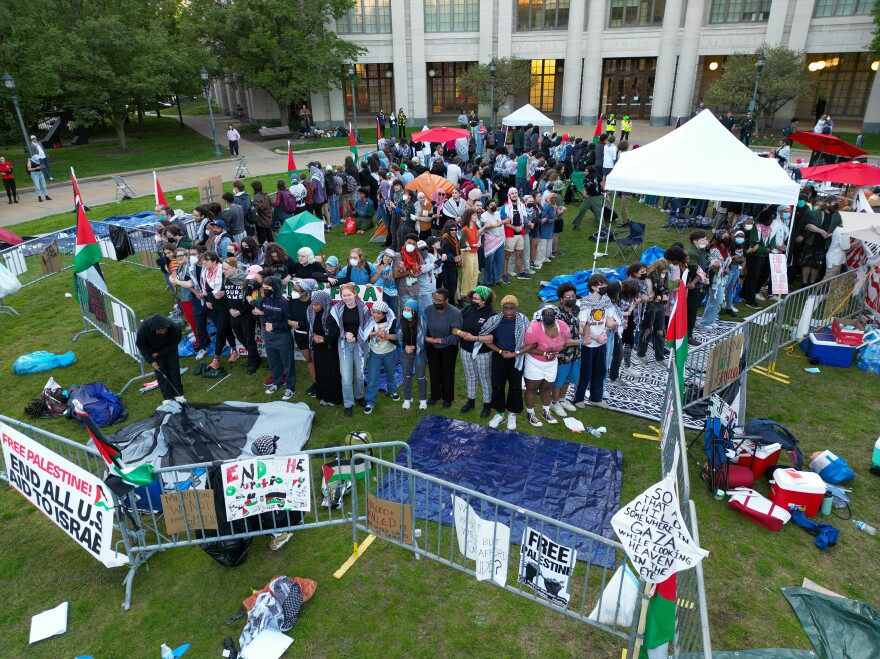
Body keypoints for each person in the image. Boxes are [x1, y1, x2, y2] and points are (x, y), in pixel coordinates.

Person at [479, 295, 531, 430]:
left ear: (516, 308)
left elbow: (531, 343)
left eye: (511, 308)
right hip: (499, 357)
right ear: (502, 308)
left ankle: (512, 414)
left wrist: (515, 353)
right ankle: (499, 412)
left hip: (517, 358)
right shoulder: (495, 320)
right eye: (505, 308)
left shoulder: (524, 321)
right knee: (497, 385)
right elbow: (486, 339)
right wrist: (500, 351)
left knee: (515, 386)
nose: (508, 312)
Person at [521, 303, 574, 427]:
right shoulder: (534, 327)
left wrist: (555, 352)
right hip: (534, 362)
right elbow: (527, 347)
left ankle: (546, 412)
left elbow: (565, 342)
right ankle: (530, 414)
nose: (549, 316)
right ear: (541, 315)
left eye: (552, 313)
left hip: (551, 362)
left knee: (546, 388)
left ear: (556, 314)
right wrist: (544, 354)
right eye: (546, 314)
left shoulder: (562, 326)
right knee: (532, 389)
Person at [573, 274, 613, 408]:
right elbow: (581, 327)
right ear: (593, 287)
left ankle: (596, 397)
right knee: (585, 372)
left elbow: (609, 321)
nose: (604, 287)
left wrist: (604, 333)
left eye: (605, 284)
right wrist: (595, 337)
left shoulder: (606, 301)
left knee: (600, 370)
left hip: (601, 342)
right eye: (601, 285)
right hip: (588, 343)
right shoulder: (586, 302)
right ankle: (578, 398)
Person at [455, 286, 496, 417]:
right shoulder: (467, 309)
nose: (473, 300)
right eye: (472, 297)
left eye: (476, 298)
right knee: (470, 376)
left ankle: (487, 404)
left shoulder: (491, 314)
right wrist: (461, 333)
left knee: (485, 378)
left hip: (483, 352)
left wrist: (475, 338)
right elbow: (455, 326)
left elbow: (493, 337)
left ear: (484, 300)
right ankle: (471, 401)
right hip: (466, 349)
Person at [332, 283, 369, 417]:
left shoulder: (363, 308)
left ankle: (359, 396)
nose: (346, 298)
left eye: (349, 295)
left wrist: (357, 336)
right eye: (344, 295)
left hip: (360, 344)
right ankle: (348, 404)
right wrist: (345, 334)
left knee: (359, 374)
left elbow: (368, 326)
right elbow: (334, 327)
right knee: (346, 377)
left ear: (354, 294)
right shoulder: (337, 309)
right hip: (344, 345)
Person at [424, 288, 463, 408]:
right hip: (432, 346)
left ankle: (448, 398)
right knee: (433, 371)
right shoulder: (428, 310)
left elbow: (457, 335)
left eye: (439, 301)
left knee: (447, 372)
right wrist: (428, 339)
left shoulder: (455, 313)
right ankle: (435, 395)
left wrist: (443, 340)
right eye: (434, 299)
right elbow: (424, 328)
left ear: (446, 300)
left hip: (449, 348)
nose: (436, 302)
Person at [199, 251, 236, 372]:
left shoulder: (222, 270)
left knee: (220, 330)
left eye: (206, 260)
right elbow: (206, 291)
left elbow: (231, 284)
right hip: (212, 308)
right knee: (225, 330)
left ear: (214, 261)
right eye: (203, 260)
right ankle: (234, 350)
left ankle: (216, 359)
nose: (204, 262)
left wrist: (224, 292)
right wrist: (206, 300)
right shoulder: (204, 273)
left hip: (224, 307)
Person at [361, 301, 400, 414]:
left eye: (379, 313)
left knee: (391, 373)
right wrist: (376, 333)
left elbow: (398, 336)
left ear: (385, 314)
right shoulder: (370, 321)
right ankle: (370, 401)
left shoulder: (392, 322)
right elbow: (363, 333)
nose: (375, 315)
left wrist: (385, 335)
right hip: (375, 353)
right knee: (373, 377)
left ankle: (392, 391)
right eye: (374, 312)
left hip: (390, 352)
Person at [136, 315, 184, 404]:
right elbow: (141, 345)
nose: (164, 332)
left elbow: (175, 342)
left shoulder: (173, 327)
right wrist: (151, 360)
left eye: (165, 330)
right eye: (161, 331)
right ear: (155, 330)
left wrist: (159, 353)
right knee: (160, 372)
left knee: (174, 369)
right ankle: (167, 397)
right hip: (154, 350)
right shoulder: (143, 330)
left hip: (170, 348)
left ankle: (179, 394)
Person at [306, 290, 343, 406]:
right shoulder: (311, 312)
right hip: (318, 348)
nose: (313, 307)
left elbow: (337, 331)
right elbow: (310, 327)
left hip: (330, 348)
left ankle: (333, 398)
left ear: (324, 303)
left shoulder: (332, 314)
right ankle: (323, 395)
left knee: (331, 372)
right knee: (320, 371)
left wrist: (324, 339)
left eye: (316, 305)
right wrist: (315, 336)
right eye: (312, 304)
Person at [551, 283, 581, 417]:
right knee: (560, 379)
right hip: (563, 353)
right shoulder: (558, 315)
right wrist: (580, 341)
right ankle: (554, 402)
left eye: (573, 296)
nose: (571, 299)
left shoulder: (576, 310)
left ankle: (562, 399)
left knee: (571, 377)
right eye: (567, 297)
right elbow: (560, 340)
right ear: (561, 299)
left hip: (576, 352)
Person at [227, 262, 261, 375]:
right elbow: (226, 298)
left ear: (233, 268)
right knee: (240, 338)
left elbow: (249, 299)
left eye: (226, 269)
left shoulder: (246, 281)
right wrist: (230, 310)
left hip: (246, 315)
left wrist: (241, 311)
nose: (224, 271)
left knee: (249, 338)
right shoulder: (226, 280)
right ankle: (255, 357)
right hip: (233, 314)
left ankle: (253, 363)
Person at [800, 195, 842, 285]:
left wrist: (830, 234)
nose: (836, 205)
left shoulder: (837, 216)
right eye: (835, 203)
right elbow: (808, 225)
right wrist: (821, 231)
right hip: (811, 241)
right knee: (806, 262)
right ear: (827, 203)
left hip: (824, 244)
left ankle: (812, 283)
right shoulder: (816, 212)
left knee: (817, 265)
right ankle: (804, 283)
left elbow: (839, 229)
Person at [636, 259, 670, 364]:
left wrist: (661, 297)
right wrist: (660, 298)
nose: (664, 274)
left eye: (665, 272)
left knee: (660, 330)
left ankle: (659, 357)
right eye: (663, 272)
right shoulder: (649, 278)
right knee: (647, 330)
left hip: (659, 306)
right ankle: (641, 353)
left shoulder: (663, 278)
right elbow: (648, 297)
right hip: (650, 307)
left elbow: (664, 290)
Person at [740, 213, 778, 308]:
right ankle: (750, 300)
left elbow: (772, 240)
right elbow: (753, 244)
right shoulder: (755, 228)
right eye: (770, 219)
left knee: (754, 276)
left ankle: (743, 294)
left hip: (763, 255)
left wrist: (770, 247)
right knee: (753, 278)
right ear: (765, 218)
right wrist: (764, 249)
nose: (771, 221)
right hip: (755, 255)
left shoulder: (769, 229)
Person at [699, 231, 730, 329]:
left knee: (718, 301)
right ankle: (704, 321)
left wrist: (726, 268)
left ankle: (711, 320)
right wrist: (722, 268)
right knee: (714, 300)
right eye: (724, 236)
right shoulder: (714, 249)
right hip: (715, 279)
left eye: (728, 236)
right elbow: (712, 266)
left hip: (721, 279)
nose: (727, 238)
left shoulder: (726, 249)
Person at [500, 187, 531, 280]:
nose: (514, 195)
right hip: (510, 234)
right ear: (509, 195)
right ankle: (504, 275)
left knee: (519, 254)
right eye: (512, 193)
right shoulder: (504, 207)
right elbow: (503, 221)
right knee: (507, 256)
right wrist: (514, 227)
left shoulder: (521, 205)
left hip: (519, 233)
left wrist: (520, 227)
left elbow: (524, 218)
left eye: (516, 193)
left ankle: (521, 273)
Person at [685, 230, 711, 337]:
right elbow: (692, 272)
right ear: (695, 241)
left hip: (699, 284)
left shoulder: (699, 250)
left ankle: (688, 332)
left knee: (693, 310)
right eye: (703, 240)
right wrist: (699, 279)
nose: (706, 242)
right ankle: (688, 334)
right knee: (691, 310)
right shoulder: (692, 252)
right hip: (694, 287)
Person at [459, 209, 481, 295]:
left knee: (475, 273)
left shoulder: (475, 225)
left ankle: (472, 292)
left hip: (474, 253)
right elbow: (461, 244)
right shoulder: (465, 229)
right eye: (474, 215)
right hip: (467, 254)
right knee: (468, 274)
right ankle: (464, 293)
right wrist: (472, 245)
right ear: (470, 217)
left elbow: (479, 233)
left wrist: (479, 240)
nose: (476, 216)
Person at [250, 180, 274, 244]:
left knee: (262, 240)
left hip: (261, 222)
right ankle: (272, 249)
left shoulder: (257, 198)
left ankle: (265, 252)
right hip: (268, 220)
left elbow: (257, 208)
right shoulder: (266, 196)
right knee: (270, 238)